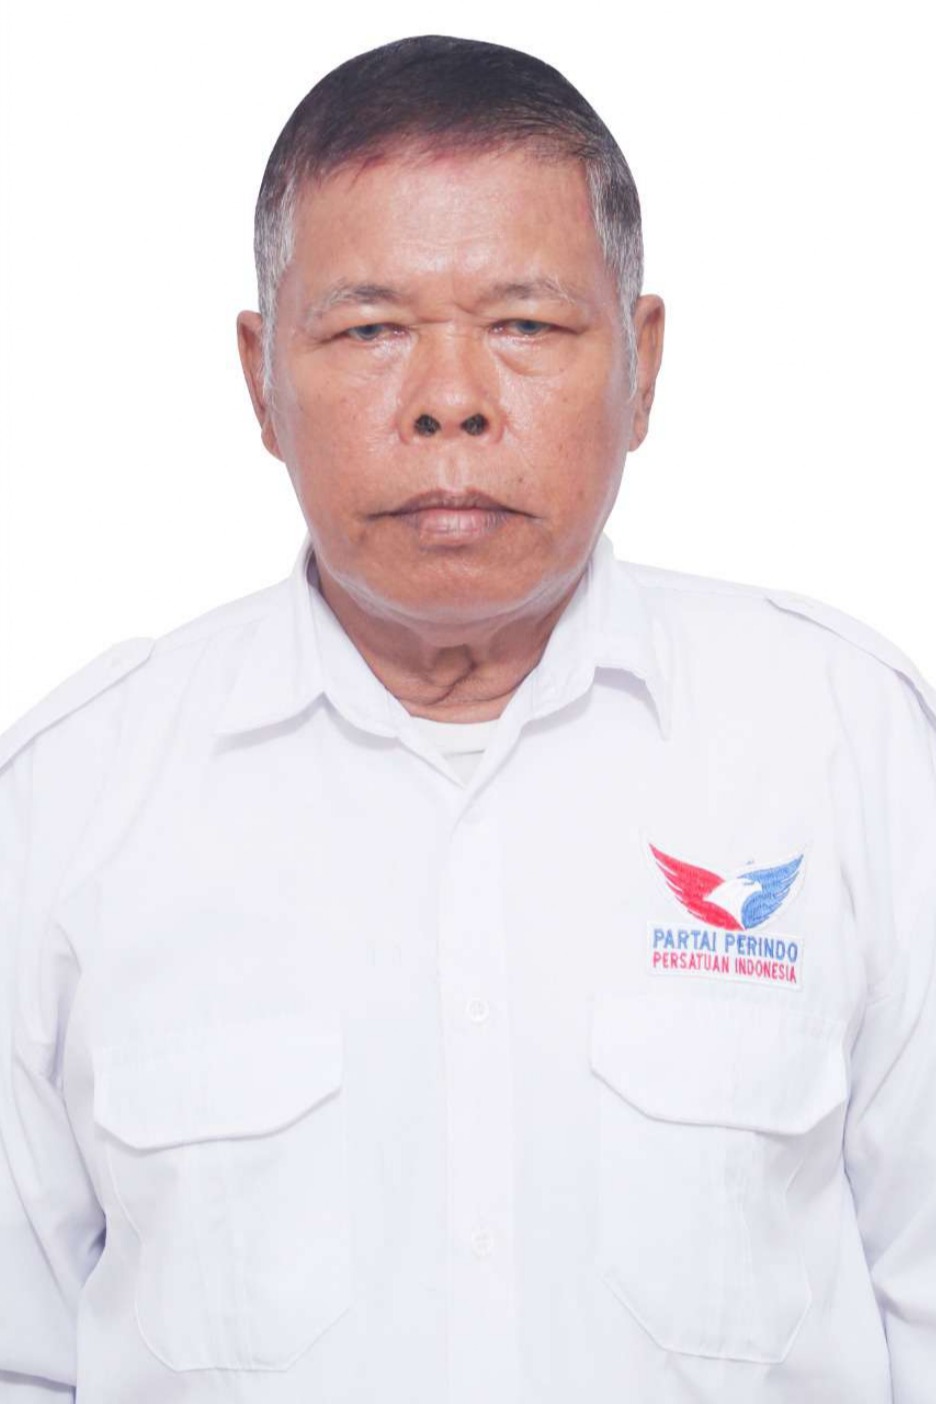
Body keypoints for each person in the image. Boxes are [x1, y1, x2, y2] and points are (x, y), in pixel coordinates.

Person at [0, 32, 933, 1404]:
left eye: (525, 327)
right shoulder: (72, 800)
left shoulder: (848, 747)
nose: (450, 403)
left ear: (642, 364)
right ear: (261, 378)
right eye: (371, 330)